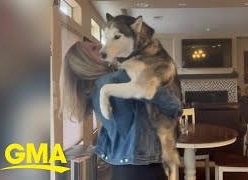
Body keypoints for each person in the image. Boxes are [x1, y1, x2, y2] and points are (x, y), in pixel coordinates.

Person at [60, 41, 182, 180]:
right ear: (85, 62)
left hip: (120, 167)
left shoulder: (93, 89)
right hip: (142, 166)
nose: (101, 46)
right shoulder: (117, 78)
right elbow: (173, 104)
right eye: (94, 48)